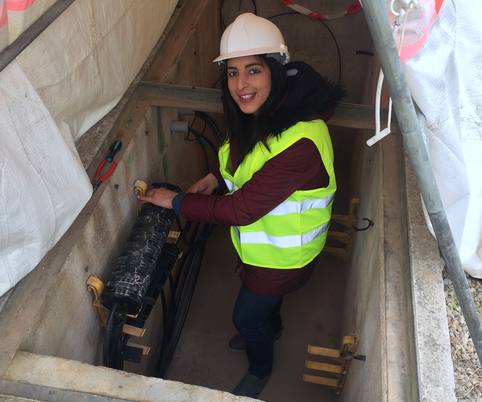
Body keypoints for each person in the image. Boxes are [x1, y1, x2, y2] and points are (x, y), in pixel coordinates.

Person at [138, 12, 344, 398]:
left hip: (283, 259)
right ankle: (272, 325)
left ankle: (260, 368)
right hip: (264, 251)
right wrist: (214, 177)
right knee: (263, 310)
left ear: (276, 70)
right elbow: (242, 154)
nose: (241, 85)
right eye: (232, 73)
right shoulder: (269, 111)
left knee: (245, 318)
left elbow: (239, 210)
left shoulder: (301, 144)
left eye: (253, 70)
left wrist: (178, 201)